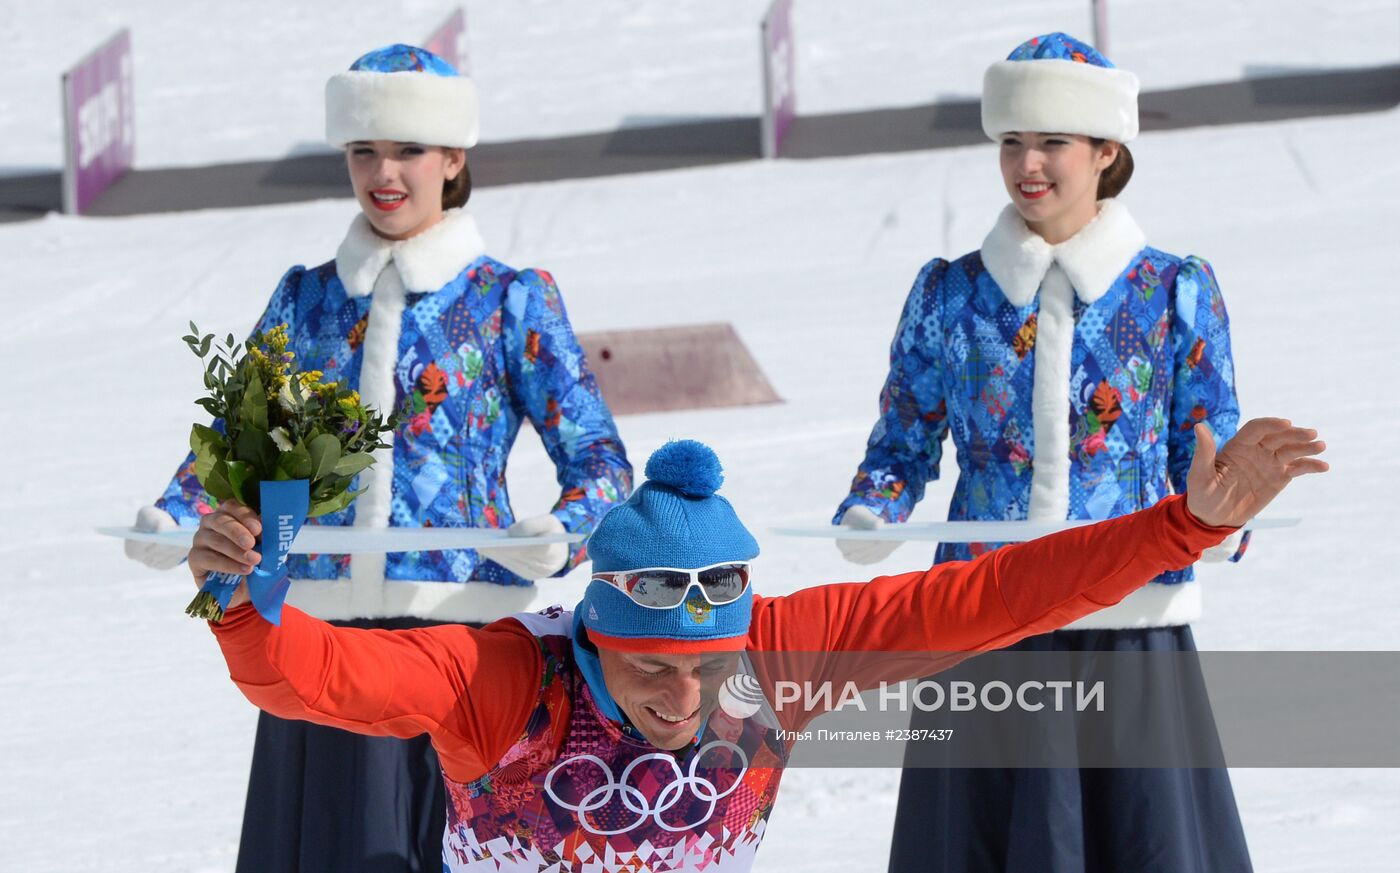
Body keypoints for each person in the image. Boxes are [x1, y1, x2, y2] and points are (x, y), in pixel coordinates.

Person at [191, 427, 1323, 873]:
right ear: (598, 631)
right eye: (651, 670)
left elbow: (990, 597)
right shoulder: (497, 678)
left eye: (703, 669)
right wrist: (248, 609)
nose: (684, 697)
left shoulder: (776, 654)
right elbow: (320, 675)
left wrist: (1184, 526)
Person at [126, 45, 633, 872]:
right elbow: (239, 439)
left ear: (453, 159)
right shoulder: (308, 296)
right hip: (320, 637)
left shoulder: (508, 298)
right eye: (364, 150)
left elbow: (604, 466)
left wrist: (561, 533)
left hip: (463, 643)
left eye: (407, 150)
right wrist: (178, 514)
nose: (383, 172)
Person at [832, 32, 1257, 872]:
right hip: (985, 611)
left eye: (1052, 142)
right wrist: (874, 503)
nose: (1028, 164)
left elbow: (1203, 447)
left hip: (1128, 613)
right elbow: (906, 432)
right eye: (1011, 142)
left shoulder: (1175, 288)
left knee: (1141, 835)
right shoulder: (948, 292)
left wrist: (1226, 512)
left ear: (1106, 151)